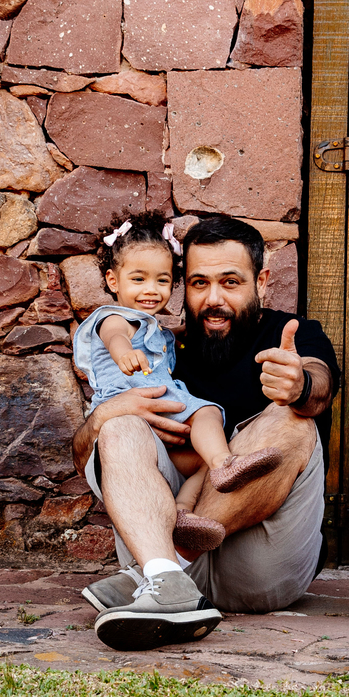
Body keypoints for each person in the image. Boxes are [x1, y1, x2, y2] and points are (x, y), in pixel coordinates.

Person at [71, 214, 341, 650]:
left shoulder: (292, 335)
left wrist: (299, 384)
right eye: (199, 283)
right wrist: (105, 415)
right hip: (157, 559)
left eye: (230, 282)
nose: (213, 298)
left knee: (290, 417)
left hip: (261, 568)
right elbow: (84, 454)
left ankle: (164, 569)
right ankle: (166, 577)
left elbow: (318, 388)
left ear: (263, 281)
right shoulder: (159, 352)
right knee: (118, 425)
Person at [73, 214, 283, 556]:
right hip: (128, 402)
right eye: (138, 279)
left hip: (160, 409)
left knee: (200, 455)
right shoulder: (114, 317)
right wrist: (123, 352)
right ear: (113, 280)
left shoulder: (157, 331)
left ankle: (185, 511)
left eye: (162, 280)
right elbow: (114, 336)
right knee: (209, 414)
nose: (150, 289)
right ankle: (224, 463)